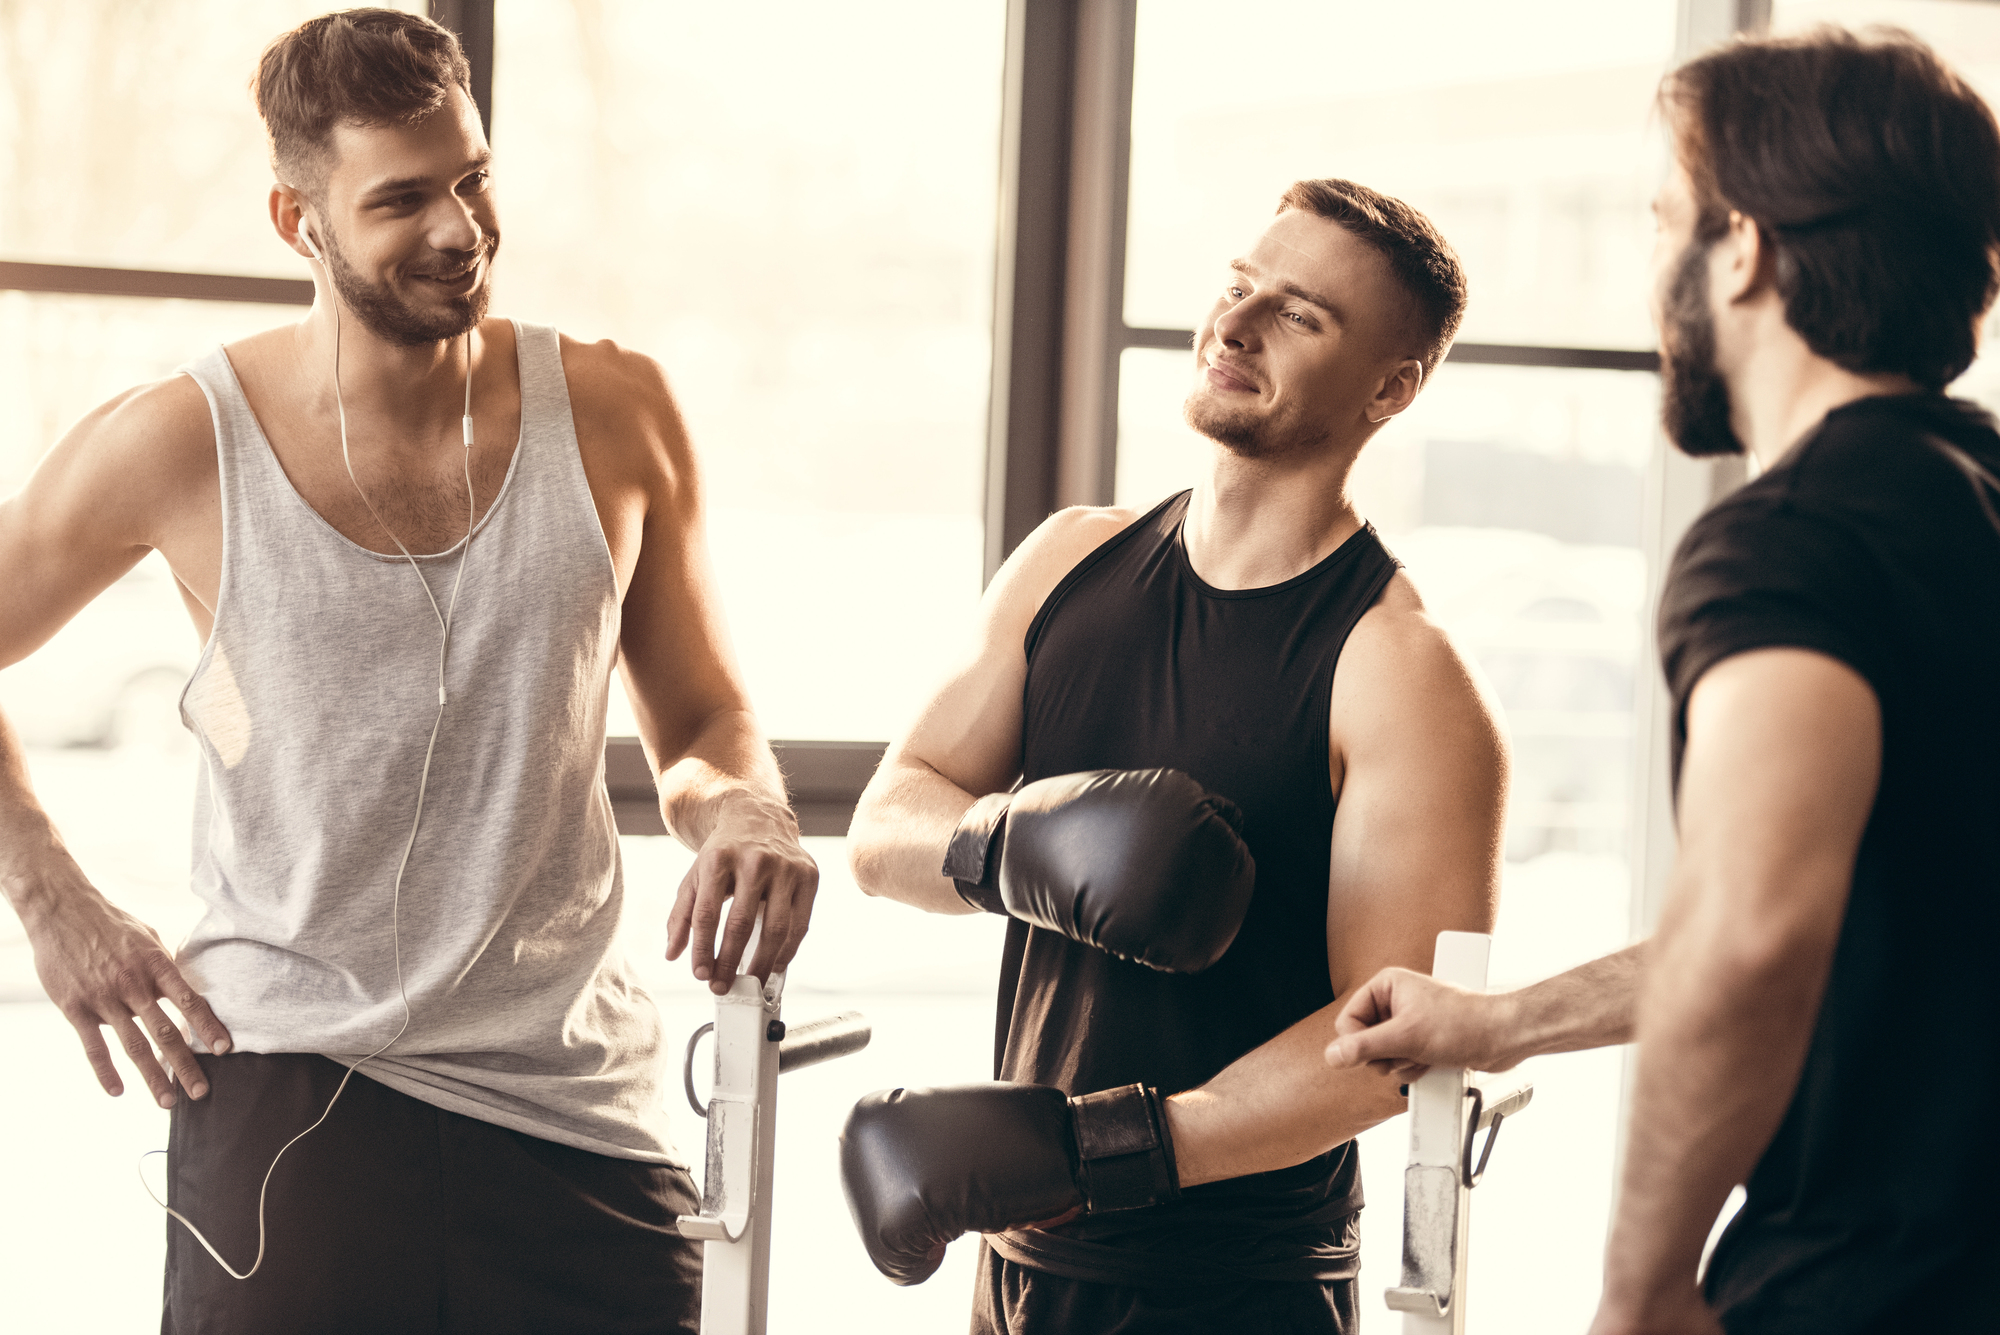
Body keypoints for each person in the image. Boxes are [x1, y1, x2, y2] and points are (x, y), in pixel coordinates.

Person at [0, 10, 817, 1332]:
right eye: (401, 199)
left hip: (572, 1101)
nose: (460, 227)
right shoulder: (178, 441)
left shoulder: (617, 413)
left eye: (474, 177)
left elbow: (704, 712)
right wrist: (51, 895)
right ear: (297, 220)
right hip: (290, 1091)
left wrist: (746, 805)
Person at [1326, 28, 2000, 1335]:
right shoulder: (1968, 501)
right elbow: (1842, 899)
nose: (1653, 272)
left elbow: (1755, 932)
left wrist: (1638, 1290)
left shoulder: (1792, 540)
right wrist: (1501, 1019)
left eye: (1659, 222)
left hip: (1869, 1285)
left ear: (1741, 248)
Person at [842, 178, 1508, 1333]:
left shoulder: (1398, 672)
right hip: (1020, 1264)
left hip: (1236, 1290)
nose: (1235, 327)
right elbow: (884, 823)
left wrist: (1096, 1152)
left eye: (1299, 315)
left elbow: (1393, 1043)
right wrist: (1013, 843)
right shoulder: (1068, 562)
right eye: (1238, 286)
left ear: (1390, 388)